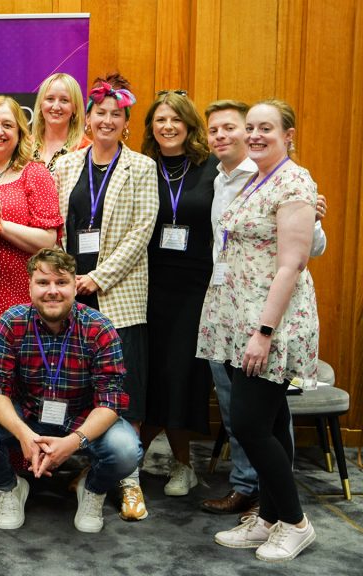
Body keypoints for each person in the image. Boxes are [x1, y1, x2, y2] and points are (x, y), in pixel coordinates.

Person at [198, 100, 319, 562]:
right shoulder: (255, 179)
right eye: (251, 128)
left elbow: (292, 264)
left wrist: (264, 331)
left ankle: (295, 522)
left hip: (271, 322)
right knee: (266, 422)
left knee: (248, 424)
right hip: (237, 317)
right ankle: (269, 517)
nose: (254, 135)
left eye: (265, 128)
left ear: (288, 134)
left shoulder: (293, 181)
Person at [0, 248, 142, 533]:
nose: (52, 291)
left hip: (82, 419)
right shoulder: (11, 322)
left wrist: (73, 442)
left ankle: (92, 490)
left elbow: (111, 401)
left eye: (61, 282)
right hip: (28, 416)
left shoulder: (100, 327)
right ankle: (10, 488)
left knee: (127, 450)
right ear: (30, 285)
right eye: (43, 283)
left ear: (75, 285)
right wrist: (23, 435)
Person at [52, 73, 157, 521]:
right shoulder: (64, 166)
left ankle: (129, 481)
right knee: (78, 387)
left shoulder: (142, 168)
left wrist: (97, 276)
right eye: (101, 113)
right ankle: (89, 467)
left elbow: (142, 232)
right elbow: (56, 228)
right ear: (88, 118)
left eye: (117, 115)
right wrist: (66, 279)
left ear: (126, 124)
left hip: (117, 295)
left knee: (125, 391)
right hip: (69, 295)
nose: (108, 120)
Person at [138, 91, 219, 497]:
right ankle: (131, 459)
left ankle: (183, 464)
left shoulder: (213, 168)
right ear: (151, 127)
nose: (167, 126)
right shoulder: (141, 168)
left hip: (194, 287)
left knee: (181, 372)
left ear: (189, 125)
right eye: (160, 120)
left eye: (175, 119)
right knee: (150, 371)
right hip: (147, 284)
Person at [0, 95, 61, 320]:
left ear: (20, 133)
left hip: (16, 298)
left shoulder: (34, 173)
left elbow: (48, 240)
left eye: (7, 125)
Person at [31, 73, 89, 173]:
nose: (56, 107)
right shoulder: (24, 146)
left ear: (75, 107)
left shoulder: (86, 150)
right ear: (41, 104)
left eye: (64, 100)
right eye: (50, 99)